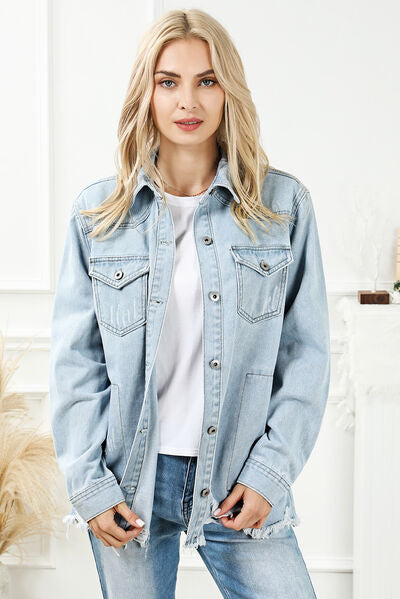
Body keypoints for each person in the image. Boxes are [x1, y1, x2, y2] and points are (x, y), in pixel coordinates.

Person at [49, 8, 330, 598]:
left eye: (207, 80)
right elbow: (76, 363)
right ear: (146, 93)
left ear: (228, 91)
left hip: (237, 477)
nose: (188, 101)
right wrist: (90, 485)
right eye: (168, 81)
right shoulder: (98, 217)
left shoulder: (281, 207)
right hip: (130, 482)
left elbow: (306, 356)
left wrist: (271, 472)